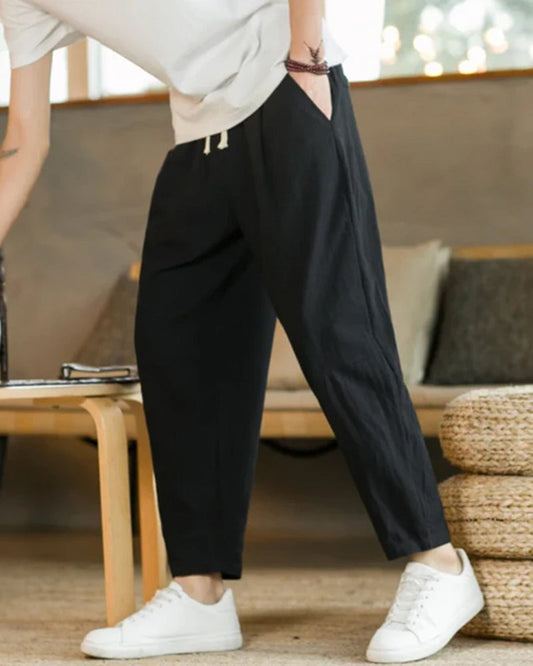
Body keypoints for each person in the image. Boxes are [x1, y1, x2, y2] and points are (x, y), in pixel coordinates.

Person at [0, 0, 485, 662]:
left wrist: (306, 61)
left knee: (338, 335)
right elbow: (24, 139)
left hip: (283, 87)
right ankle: (200, 595)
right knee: (177, 350)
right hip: (198, 140)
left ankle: (439, 565)